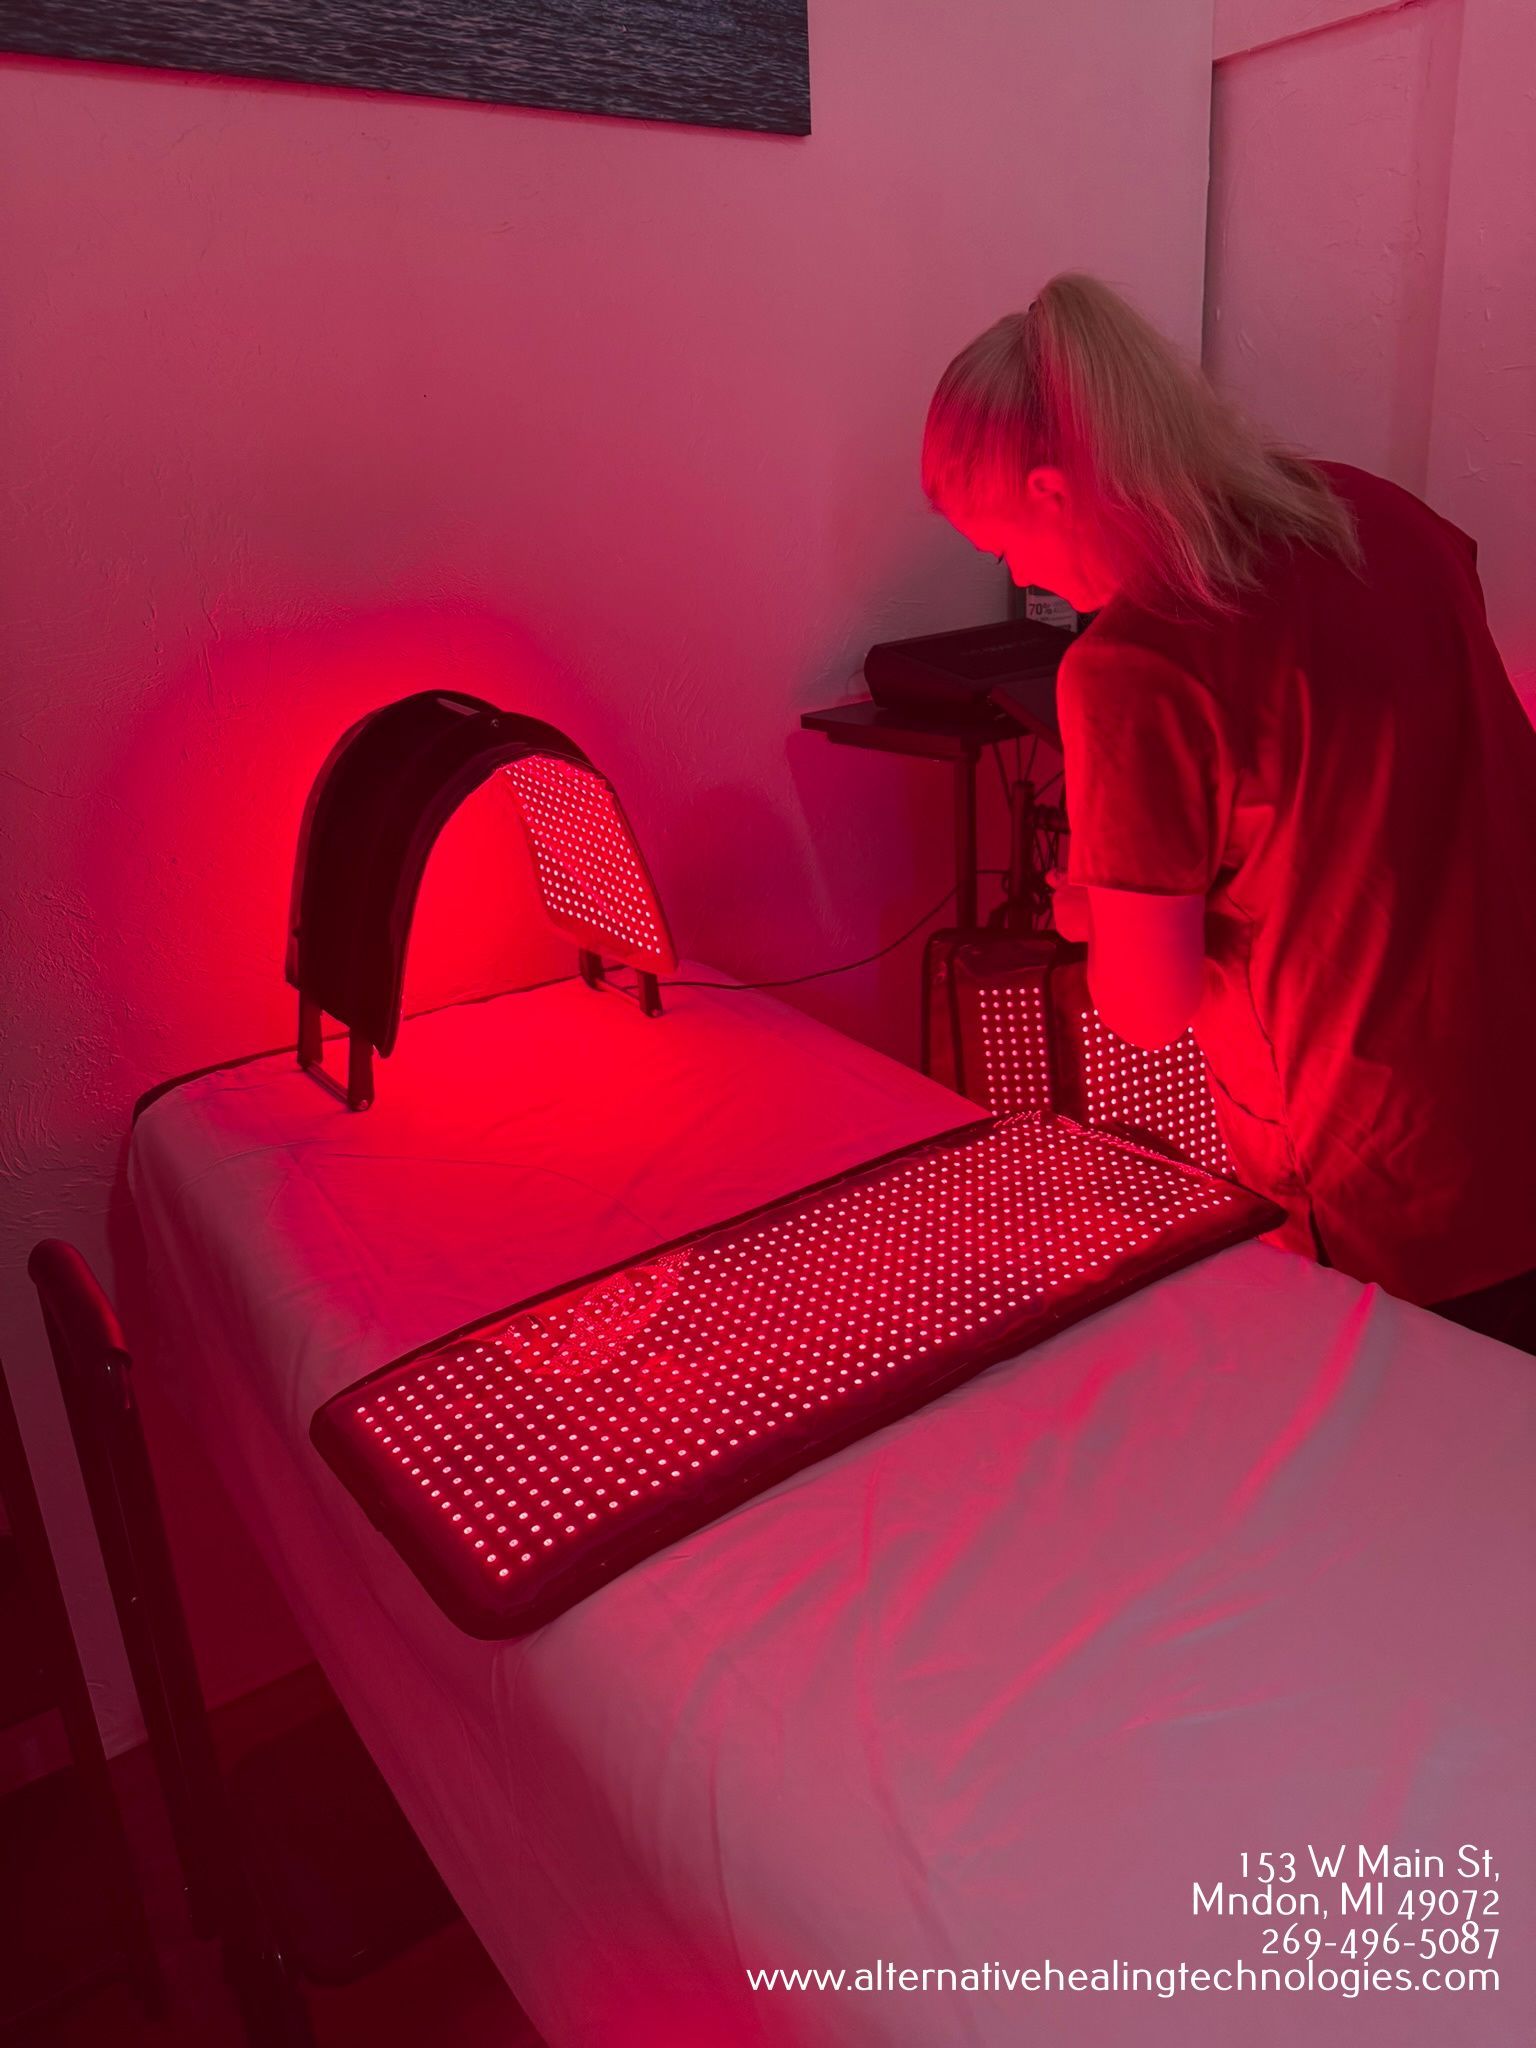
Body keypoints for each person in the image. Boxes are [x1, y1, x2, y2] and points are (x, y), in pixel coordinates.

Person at [922, 272, 1536, 1351]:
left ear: (1057, 489)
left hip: (1386, 1188)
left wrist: (1097, 916)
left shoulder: (1135, 666)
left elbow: (1149, 1010)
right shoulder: (1379, 513)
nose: (1018, 576)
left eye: (1003, 541)